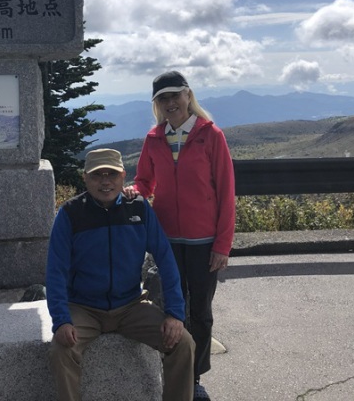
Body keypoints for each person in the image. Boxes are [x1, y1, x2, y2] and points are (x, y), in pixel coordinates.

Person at [46, 148, 196, 401]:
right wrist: (61, 320)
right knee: (62, 350)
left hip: (130, 306)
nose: (105, 181)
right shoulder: (70, 214)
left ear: (123, 176)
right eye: (97, 175)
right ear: (85, 178)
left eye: (112, 174)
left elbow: (166, 260)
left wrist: (175, 314)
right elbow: (55, 271)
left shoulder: (138, 208)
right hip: (84, 307)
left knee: (183, 343)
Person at [123, 71, 235, 401]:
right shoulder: (154, 138)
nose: (170, 102)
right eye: (163, 98)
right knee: (172, 308)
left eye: (175, 95)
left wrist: (222, 245)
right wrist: (133, 191)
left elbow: (226, 192)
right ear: (157, 104)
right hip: (167, 240)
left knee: (200, 311)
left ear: (188, 95)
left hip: (205, 241)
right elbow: (145, 182)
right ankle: (175, 367)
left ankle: (194, 377)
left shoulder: (211, 135)